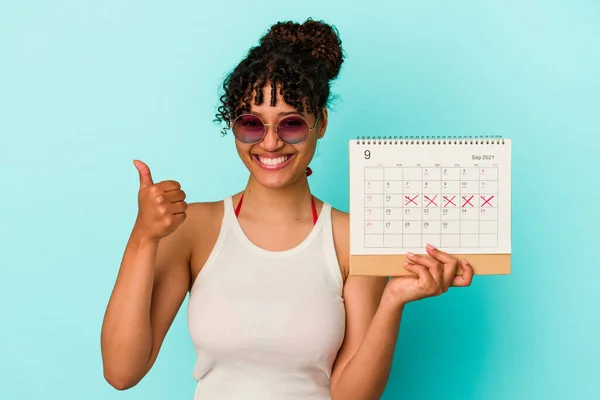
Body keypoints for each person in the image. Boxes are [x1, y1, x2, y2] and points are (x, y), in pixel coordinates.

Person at [100, 18, 474, 400]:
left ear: (320, 122)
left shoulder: (352, 238)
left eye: (291, 124)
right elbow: (121, 372)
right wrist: (143, 237)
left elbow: (351, 395)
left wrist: (393, 301)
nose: (271, 142)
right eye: (251, 124)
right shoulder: (194, 228)